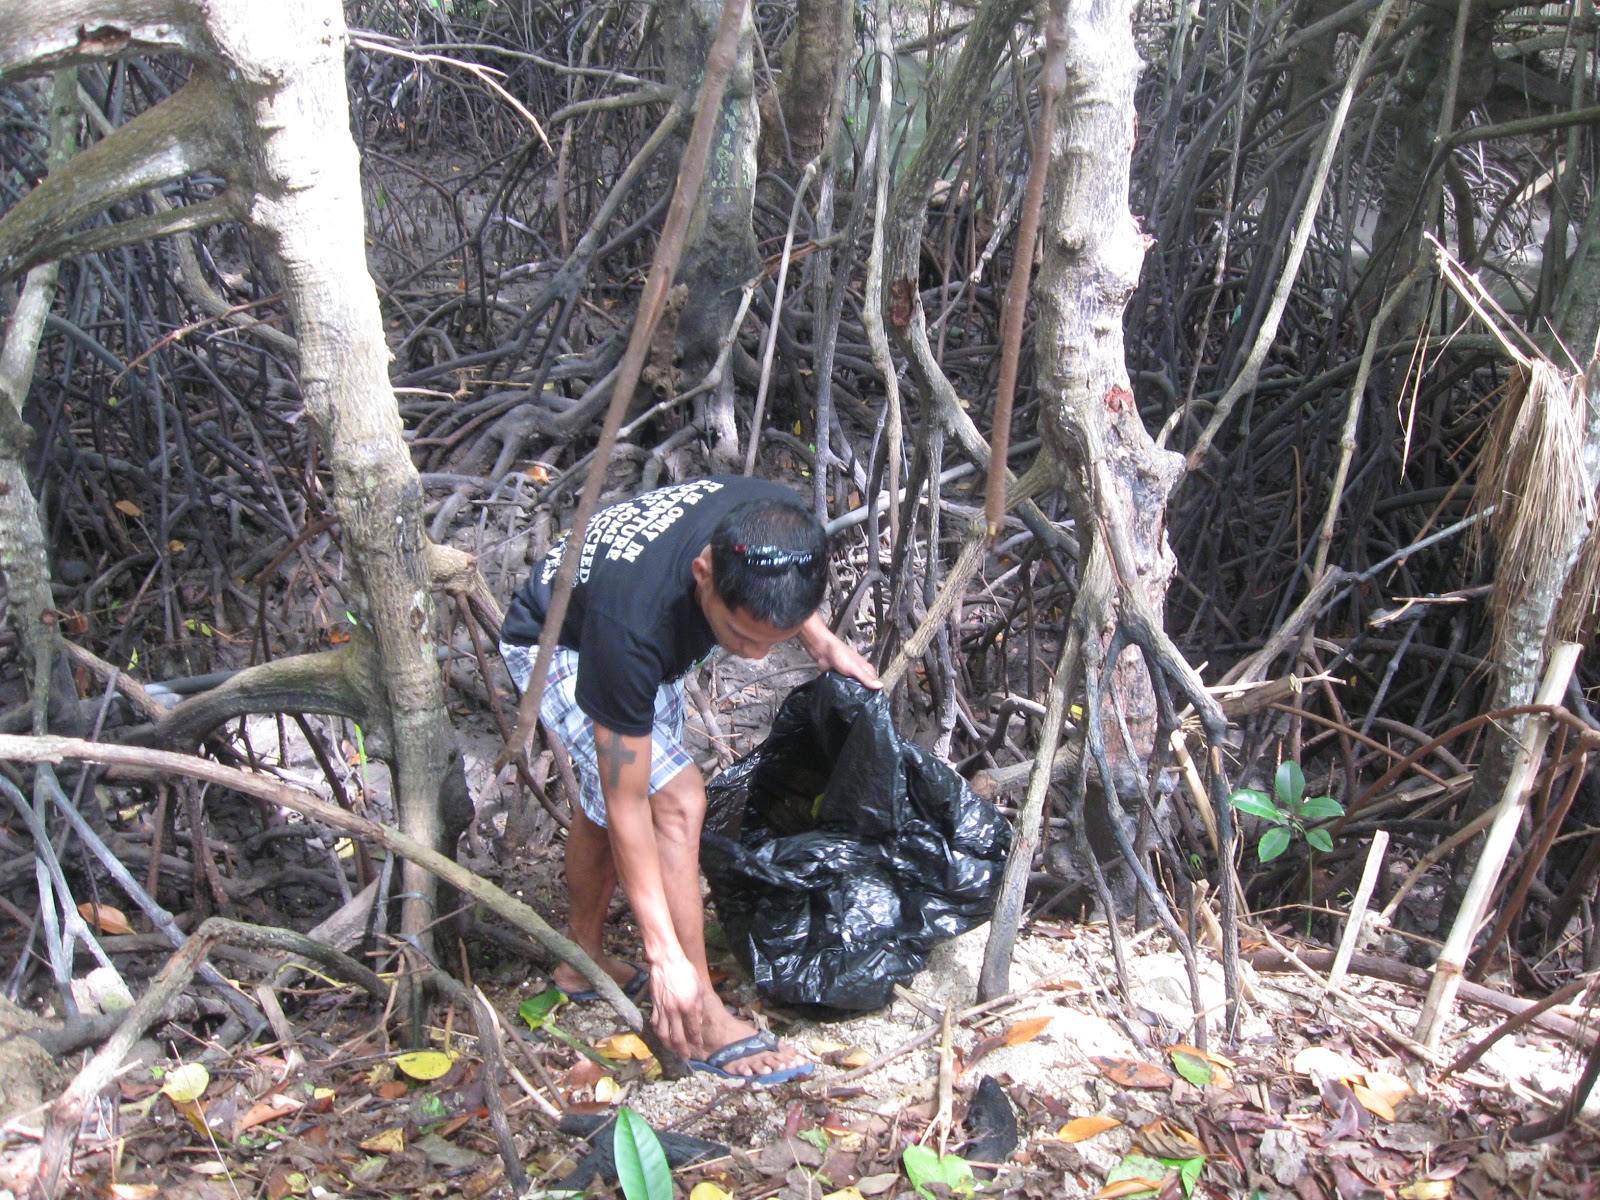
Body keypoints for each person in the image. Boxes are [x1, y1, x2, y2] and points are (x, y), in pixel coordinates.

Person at [498, 476, 880, 1082]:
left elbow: (783, 599)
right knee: (673, 800)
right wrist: (663, 957)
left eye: (772, 642)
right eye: (739, 637)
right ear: (704, 572)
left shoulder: (774, 527)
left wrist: (821, 641)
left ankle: (579, 962)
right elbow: (632, 805)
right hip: (560, 642)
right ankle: (699, 1013)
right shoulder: (631, 630)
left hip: (642, 632)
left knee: (605, 809)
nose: (754, 657)